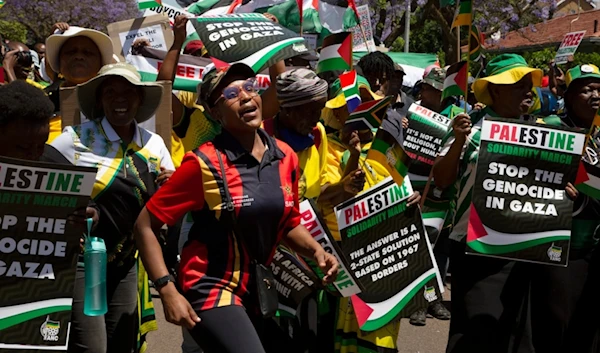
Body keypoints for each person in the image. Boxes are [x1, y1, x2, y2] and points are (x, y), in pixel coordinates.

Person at [133, 62, 339, 353]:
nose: (245, 97)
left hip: (256, 288)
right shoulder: (202, 163)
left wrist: (317, 251)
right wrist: (167, 289)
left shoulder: (286, 157)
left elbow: (289, 224)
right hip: (209, 285)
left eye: (250, 88)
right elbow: (145, 226)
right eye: (230, 93)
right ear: (216, 113)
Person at [433, 53, 576, 353]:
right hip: (476, 249)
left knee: (515, 335)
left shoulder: (543, 133)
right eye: (518, 85)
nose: (528, 91)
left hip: (524, 251)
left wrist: (565, 191)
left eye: (529, 85)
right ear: (495, 90)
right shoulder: (469, 128)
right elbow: (442, 180)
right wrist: (458, 141)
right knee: (475, 333)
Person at [49, 63, 174, 353]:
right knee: (92, 347)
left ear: (140, 100)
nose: (120, 99)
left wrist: (170, 186)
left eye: (129, 92)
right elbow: (45, 188)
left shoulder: (153, 144)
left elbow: (169, 207)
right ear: (100, 100)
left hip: (127, 260)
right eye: (111, 92)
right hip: (82, 261)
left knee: (121, 342)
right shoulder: (74, 139)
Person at [531, 64, 600, 353]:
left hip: (594, 249)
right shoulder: (547, 129)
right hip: (556, 248)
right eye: (586, 90)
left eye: (599, 89)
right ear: (568, 96)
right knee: (557, 324)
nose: (595, 95)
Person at [44, 23, 114, 143]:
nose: (79, 57)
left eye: (88, 53)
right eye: (71, 52)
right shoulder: (43, 101)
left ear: (101, 64)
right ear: (59, 62)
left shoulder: (115, 101)